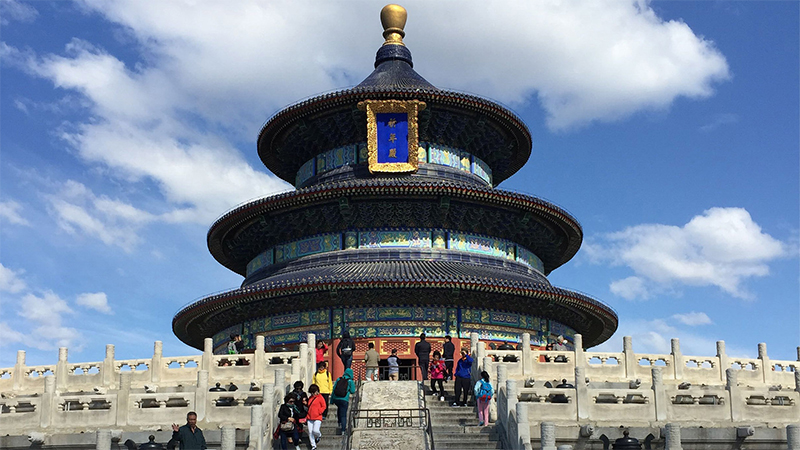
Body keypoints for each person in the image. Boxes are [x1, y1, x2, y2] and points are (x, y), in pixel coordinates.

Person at [329, 368, 356, 435]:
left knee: (339, 409)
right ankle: (343, 429)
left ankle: (339, 422)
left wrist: (331, 400)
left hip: (336, 398)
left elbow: (334, 390)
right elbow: (353, 391)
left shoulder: (339, 379)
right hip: (344, 399)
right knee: (343, 414)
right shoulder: (350, 381)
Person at [305, 384, 327, 450]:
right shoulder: (310, 398)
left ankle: (319, 436)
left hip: (317, 417)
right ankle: (313, 445)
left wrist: (319, 411)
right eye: (312, 392)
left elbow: (324, 406)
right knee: (310, 432)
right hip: (309, 417)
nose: (313, 394)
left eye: (313, 392)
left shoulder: (320, 397)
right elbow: (309, 405)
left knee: (315, 430)